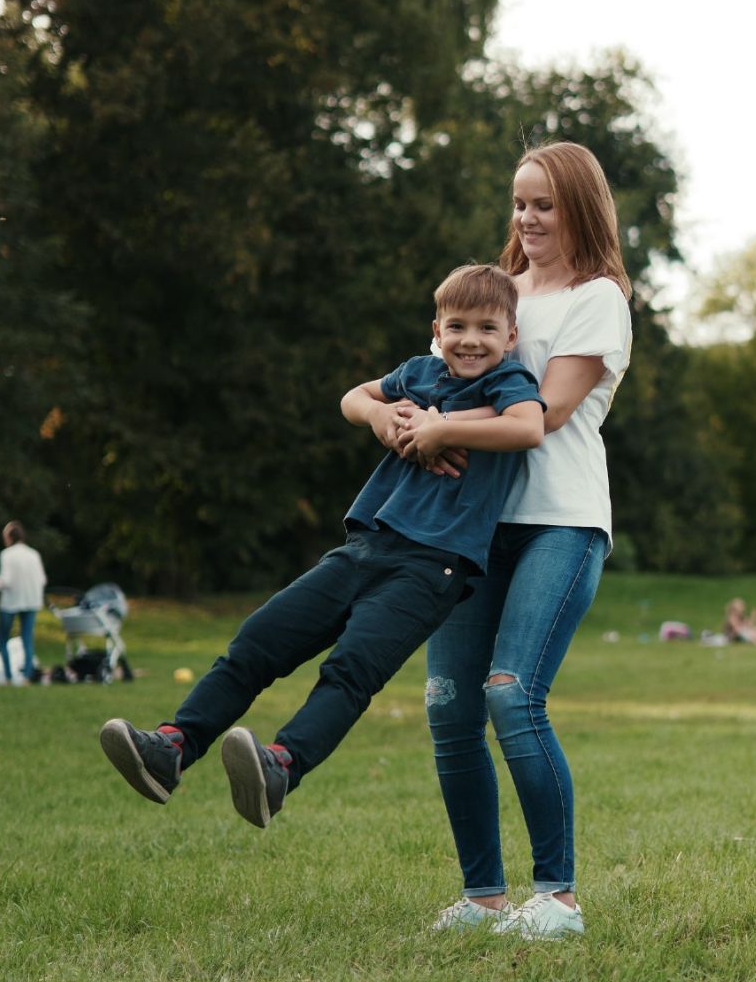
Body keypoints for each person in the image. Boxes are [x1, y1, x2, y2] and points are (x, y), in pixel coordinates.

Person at [99, 265, 545, 827]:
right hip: (366, 545)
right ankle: (171, 748)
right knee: (258, 639)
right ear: (437, 328)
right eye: (457, 326)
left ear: (510, 338)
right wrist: (383, 416)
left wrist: (441, 429)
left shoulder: (506, 385)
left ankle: (281, 766)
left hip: (434, 567)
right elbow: (352, 397)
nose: (470, 340)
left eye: (487, 328)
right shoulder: (420, 372)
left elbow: (529, 427)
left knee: (351, 668)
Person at [381, 141, 633, 940]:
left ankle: (556, 896)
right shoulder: (494, 297)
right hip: (471, 527)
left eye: (545, 204)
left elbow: (547, 414)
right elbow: (429, 382)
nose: (527, 218)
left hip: (562, 521)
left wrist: (441, 426)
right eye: (520, 202)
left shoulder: (598, 299)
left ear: (581, 209)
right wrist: (395, 417)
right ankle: (482, 897)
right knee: (449, 706)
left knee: (510, 693)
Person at [0, 522, 47, 685]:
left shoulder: (7, 555)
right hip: (31, 601)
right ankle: (27, 677)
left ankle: (9, 676)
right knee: (27, 639)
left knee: (2, 637)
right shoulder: (33, 554)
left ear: (8, 537)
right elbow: (42, 579)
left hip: (11, 601)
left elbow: (6, 581)